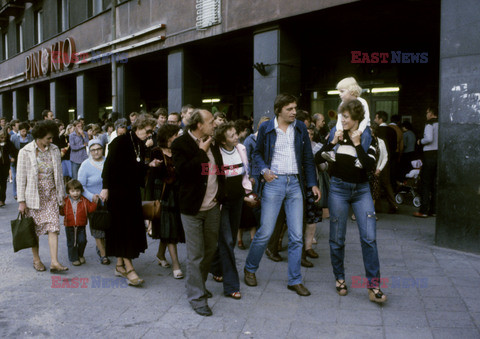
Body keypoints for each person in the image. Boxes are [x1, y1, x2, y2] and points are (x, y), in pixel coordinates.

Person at [244, 93, 320, 297]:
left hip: (295, 183)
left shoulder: (301, 128)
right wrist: (264, 171)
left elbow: (307, 158)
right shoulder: (266, 129)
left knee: (296, 236)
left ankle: (294, 280)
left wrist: (312, 183)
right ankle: (250, 268)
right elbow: (256, 154)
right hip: (274, 183)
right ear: (279, 110)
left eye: (295, 108)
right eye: (290, 109)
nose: (294, 112)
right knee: (265, 232)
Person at [315, 99, 386, 303]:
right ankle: (339, 278)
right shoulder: (335, 134)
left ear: (356, 118)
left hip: (361, 191)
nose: (342, 120)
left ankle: (374, 286)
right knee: (337, 238)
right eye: (341, 116)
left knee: (369, 238)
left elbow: (369, 166)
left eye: (345, 117)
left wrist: (357, 145)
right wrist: (332, 143)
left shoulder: (367, 138)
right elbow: (317, 158)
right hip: (338, 189)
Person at [171, 109, 225, 317]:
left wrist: (221, 194)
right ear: (198, 125)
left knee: (210, 251)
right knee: (195, 255)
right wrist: (201, 152)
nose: (215, 124)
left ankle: (198, 285)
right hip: (192, 209)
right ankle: (197, 298)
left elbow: (215, 170)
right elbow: (184, 173)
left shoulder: (213, 140)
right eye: (211, 121)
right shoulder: (180, 144)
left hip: (212, 207)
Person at [100, 114, 162, 286]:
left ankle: (120, 265)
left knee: (128, 228)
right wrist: (105, 187)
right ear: (138, 127)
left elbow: (134, 167)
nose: (150, 134)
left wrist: (149, 166)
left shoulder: (140, 144)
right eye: (148, 130)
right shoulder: (120, 142)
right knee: (123, 229)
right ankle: (130, 269)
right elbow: (108, 166)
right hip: (118, 193)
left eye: (151, 131)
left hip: (132, 192)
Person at [16, 120, 67, 273]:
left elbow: (59, 175)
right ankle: (36, 259)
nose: (51, 141)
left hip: (51, 195)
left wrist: (61, 197)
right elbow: (20, 178)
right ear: (39, 136)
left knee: (53, 227)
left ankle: (54, 262)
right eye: (48, 138)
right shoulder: (25, 151)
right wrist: (21, 201)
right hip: (34, 197)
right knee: (35, 230)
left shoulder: (55, 149)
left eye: (52, 138)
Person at [210, 122, 253, 300]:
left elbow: (245, 171)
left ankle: (216, 266)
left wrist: (248, 190)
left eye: (236, 133)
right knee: (227, 240)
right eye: (231, 135)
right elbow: (207, 172)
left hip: (238, 200)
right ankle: (231, 285)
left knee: (229, 241)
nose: (236, 137)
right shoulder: (215, 152)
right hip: (221, 202)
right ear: (222, 140)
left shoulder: (241, 148)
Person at [149, 124, 185, 279]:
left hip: (178, 193)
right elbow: (152, 176)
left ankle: (160, 255)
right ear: (168, 137)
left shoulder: (180, 151)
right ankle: (176, 264)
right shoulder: (156, 152)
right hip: (163, 193)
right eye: (175, 134)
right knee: (170, 229)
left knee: (169, 227)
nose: (178, 136)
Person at [238, 116, 270, 249]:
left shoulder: (268, 139)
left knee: (263, 203)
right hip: (253, 175)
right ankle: (249, 236)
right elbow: (245, 160)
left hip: (265, 174)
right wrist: (248, 176)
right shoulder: (250, 140)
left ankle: (259, 234)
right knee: (252, 205)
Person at [323, 77, 372, 161]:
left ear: (352, 91)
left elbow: (365, 119)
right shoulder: (342, 103)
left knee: (366, 135)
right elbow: (339, 120)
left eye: (342, 91)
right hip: (347, 127)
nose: (339, 94)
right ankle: (332, 152)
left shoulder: (362, 102)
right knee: (333, 131)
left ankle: (359, 158)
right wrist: (339, 130)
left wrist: (360, 131)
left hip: (363, 127)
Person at [78, 139, 110, 265]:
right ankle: (103, 254)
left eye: (98, 149)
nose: (96, 152)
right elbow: (81, 185)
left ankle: (104, 248)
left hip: (108, 200)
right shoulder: (85, 165)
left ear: (103, 149)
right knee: (97, 229)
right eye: (93, 150)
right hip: (93, 202)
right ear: (89, 151)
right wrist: (92, 196)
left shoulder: (108, 161)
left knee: (108, 228)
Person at [60, 179, 97, 266]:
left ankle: (80, 255)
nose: (75, 193)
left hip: (81, 226)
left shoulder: (84, 200)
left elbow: (90, 209)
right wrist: (60, 206)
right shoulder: (65, 201)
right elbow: (62, 213)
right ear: (68, 192)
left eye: (77, 191)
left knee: (82, 241)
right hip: (69, 226)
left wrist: (95, 202)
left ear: (81, 191)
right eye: (72, 191)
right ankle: (74, 258)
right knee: (72, 243)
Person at [413, 107, 438, 218]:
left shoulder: (429, 124)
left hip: (429, 154)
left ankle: (423, 210)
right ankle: (434, 210)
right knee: (434, 183)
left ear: (432, 113)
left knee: (425, 183)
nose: (426, 114)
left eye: (427, 112)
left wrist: (420, 141)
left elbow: (429, 138)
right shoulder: (441, 124)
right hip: (439, 155)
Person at [374, 111, 399, 213]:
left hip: (378, 160)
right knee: (387, 183)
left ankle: (377, 207)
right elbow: (395, 146)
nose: (375, 120)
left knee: (377, 184)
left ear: (380, 119)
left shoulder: (378, 130)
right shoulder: (393, 131)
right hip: (389, 160)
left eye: (376, 118)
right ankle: (393, 205)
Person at [0, 129, 17, 207]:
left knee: (3, 183)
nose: (2, 138)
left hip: (5, 165)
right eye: (1, 137)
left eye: (3, 137)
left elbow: (14, 151)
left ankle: (2, 200)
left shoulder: (8, 144)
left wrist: (13, 157)